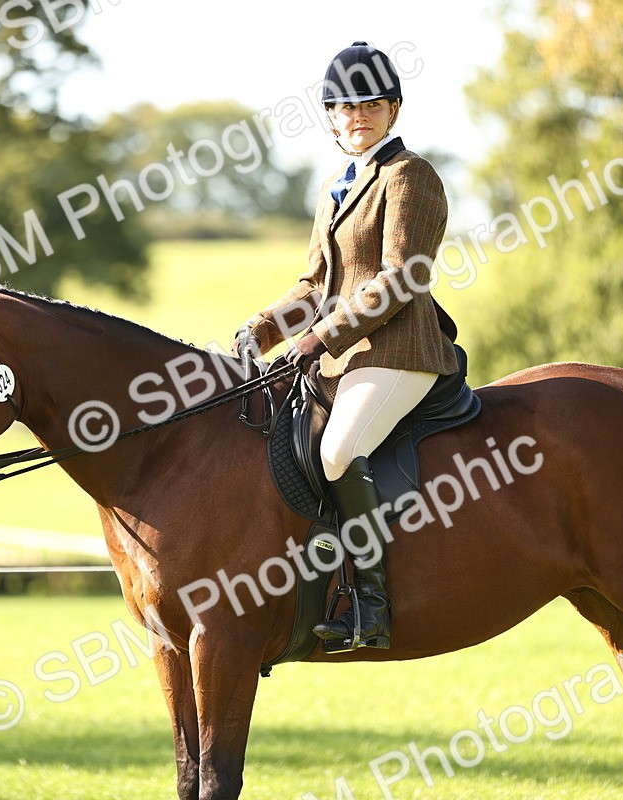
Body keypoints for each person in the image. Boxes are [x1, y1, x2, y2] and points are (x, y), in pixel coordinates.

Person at [233, 41, 460, 652]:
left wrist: (319, 337)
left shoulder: (410, 176)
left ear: (393, 110)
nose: (357, 116)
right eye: (344, 107)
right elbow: (316, 286)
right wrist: (259, 331)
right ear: (330, 118)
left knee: (337, 451)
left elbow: (398, 279)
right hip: (344, 358)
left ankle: (372, 602)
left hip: (399, 353)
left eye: (371, 105)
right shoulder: (337, 185)